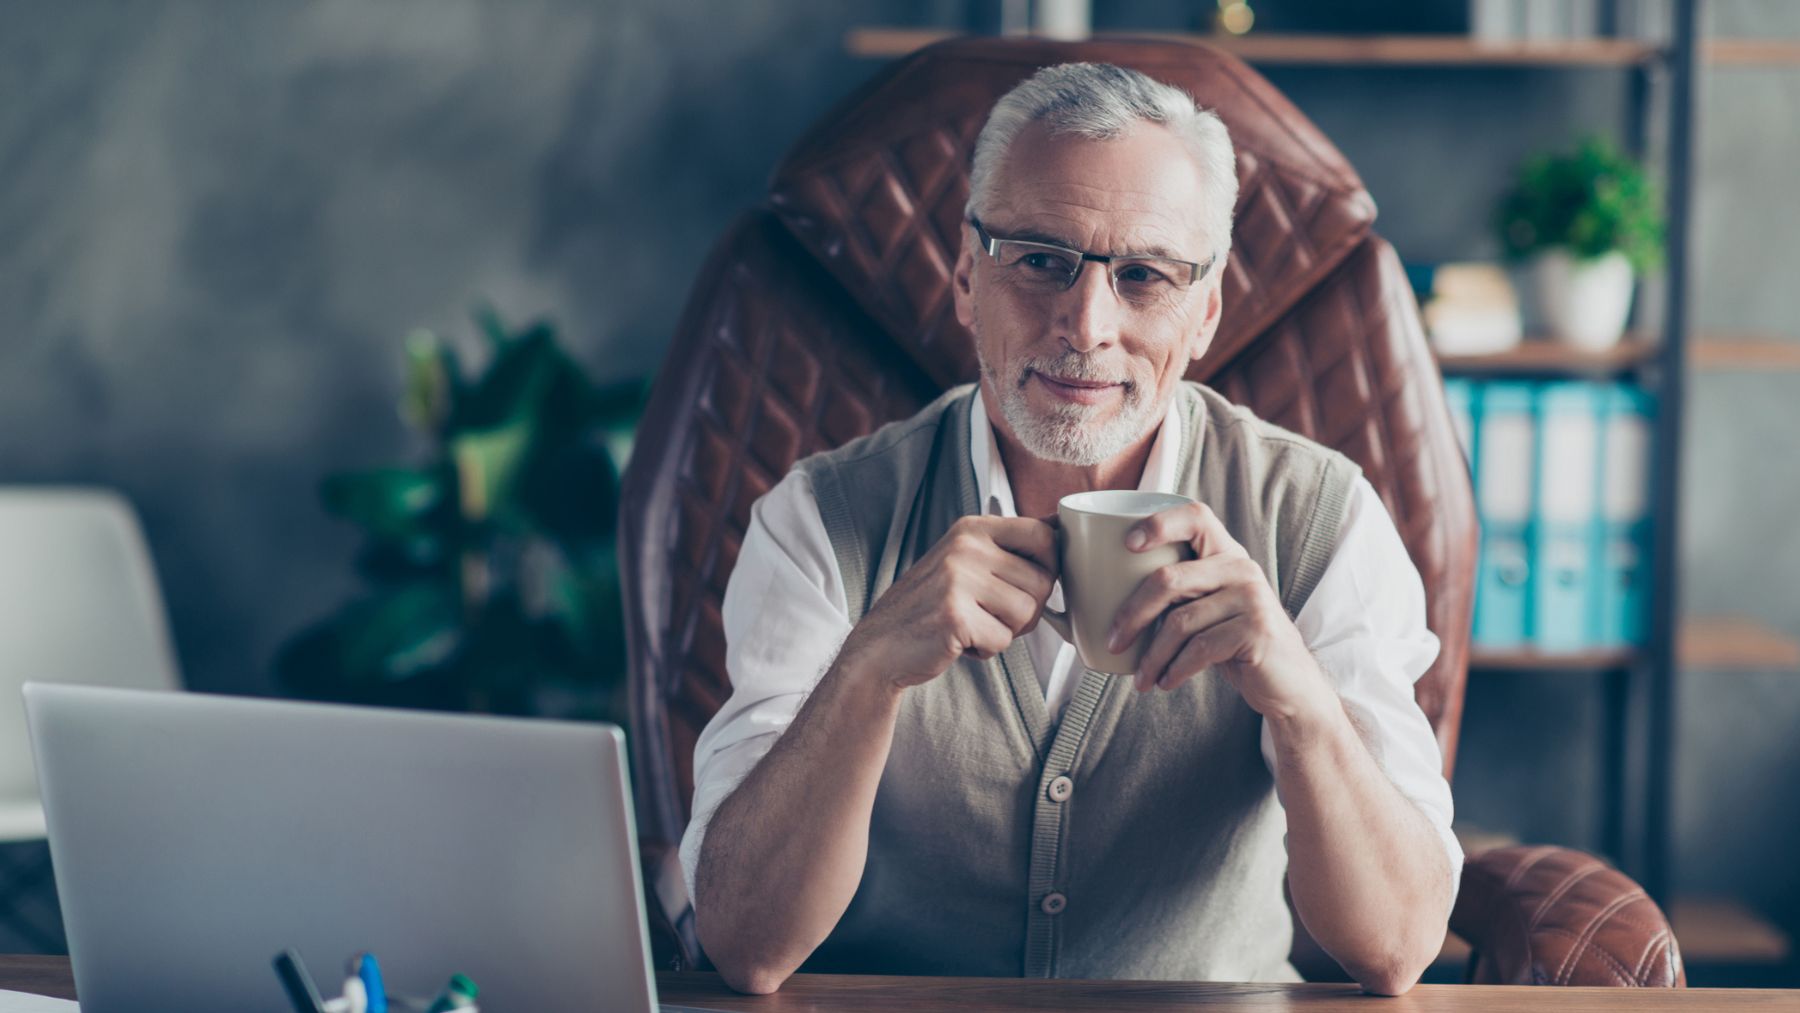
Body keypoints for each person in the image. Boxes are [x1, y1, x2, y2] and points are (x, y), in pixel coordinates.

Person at [678, 61, 1460, 997]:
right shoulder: (818, 518)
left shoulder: (1325, 518)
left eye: (1145, 276)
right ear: (968, 275)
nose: (1086, 325)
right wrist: (868, 670)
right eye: (1041, 259)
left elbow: (1396, 946)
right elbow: (744, 943)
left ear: (1205, 309)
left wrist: (1300, 700)